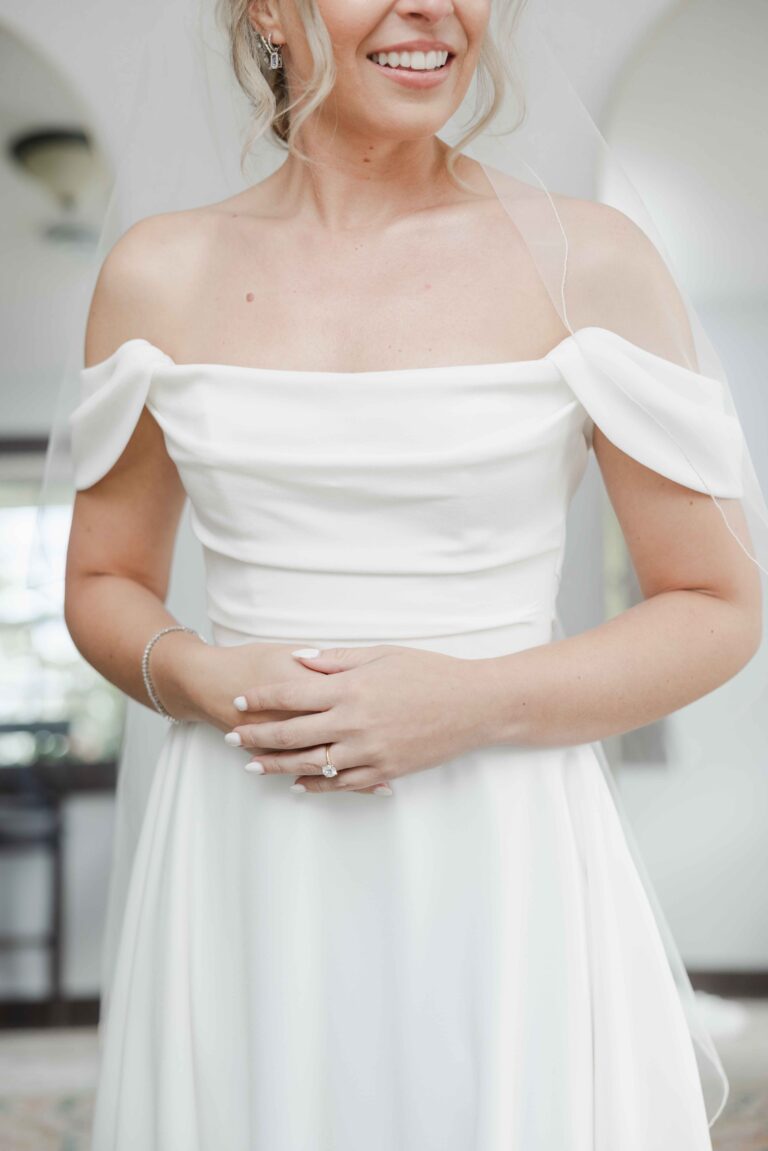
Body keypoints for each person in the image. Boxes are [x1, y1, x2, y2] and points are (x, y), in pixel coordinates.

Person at [61, 1, 762, 1147]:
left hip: (502, 841)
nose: (432, 8)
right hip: (245, 845)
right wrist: (206, 677)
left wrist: (466, 700)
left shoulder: (591, 257)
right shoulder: (159, 271)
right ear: (267, 12)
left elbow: (719, 605)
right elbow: (102, 579)